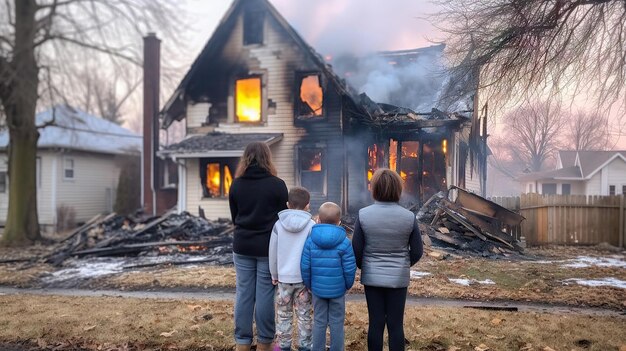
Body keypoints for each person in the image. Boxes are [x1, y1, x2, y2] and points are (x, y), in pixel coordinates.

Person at [352, 168, 424, 351]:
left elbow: (356, 250)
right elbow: (417, 251)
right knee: (396, 325)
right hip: (398, 280)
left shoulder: (363, 215)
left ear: (374, 189)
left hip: (372, 278)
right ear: (398, 189)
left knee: (375, 323)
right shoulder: (409, 217)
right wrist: (402, 265)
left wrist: (366, 266)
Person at [229, 142, 288, 351]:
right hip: (267, 248)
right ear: (267, 158)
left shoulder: (236, 185)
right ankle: (265, 343)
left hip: (243, 245)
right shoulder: (278, 185)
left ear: (245, 158)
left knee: (244, 294)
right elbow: (283, 219)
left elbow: (235, 217)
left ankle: (242, 343)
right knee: (265, 295)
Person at [301, 202, 356, 351]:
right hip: (338, 291)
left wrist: (309, 285)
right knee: (337, 322)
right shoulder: (345, 243)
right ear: (339, 222)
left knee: (319, 321)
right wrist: (347, 285)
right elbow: (350, 268)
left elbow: (305, 266)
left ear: (318, 219)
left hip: (317, 290)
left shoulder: (310, 241)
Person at [269, 187, 315, 351]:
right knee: (304, 315)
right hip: (303, 280)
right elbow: (313, 253)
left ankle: (283, 347)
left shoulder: (278, 224)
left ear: (288, 204)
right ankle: (305, 346)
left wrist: (274, 273)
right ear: (307, 205)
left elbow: (272, 251)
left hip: (283, 279)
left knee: (283, 315)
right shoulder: (311, 225)